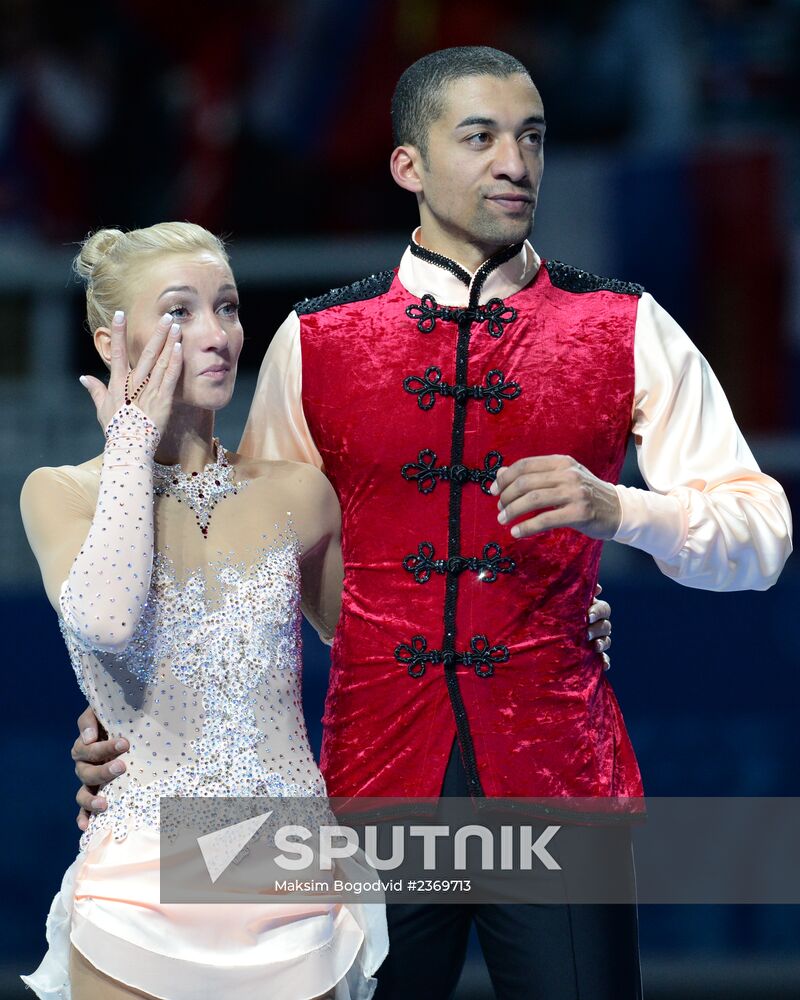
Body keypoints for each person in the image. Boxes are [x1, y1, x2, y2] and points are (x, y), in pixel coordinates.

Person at [70, 46, 792, 1000]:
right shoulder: (316, 340)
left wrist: (621, 509)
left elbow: (764, 535)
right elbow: (239, 577)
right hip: (366, 787)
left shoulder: (625, 325)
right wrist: (130, 712)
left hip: (555, 781)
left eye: (532, 137)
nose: (516, 162)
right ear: (408, 164)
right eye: (482, 136)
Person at [20, 222, 388, 999]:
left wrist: (553, 622)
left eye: (227, 306)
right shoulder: (61, 494)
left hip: (290, 884)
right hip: (140, 884)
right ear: (109, 343)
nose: (218, 334)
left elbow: (392, 652)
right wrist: (128, 444)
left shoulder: (298, 494)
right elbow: (110, 620)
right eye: (181, 313)